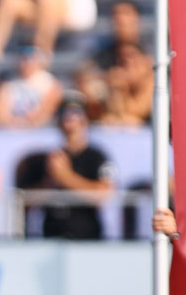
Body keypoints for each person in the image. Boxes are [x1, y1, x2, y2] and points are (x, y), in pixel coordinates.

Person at [17, 97, 114, 239]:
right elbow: (26, 199)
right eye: (64, 113)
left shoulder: (96, 157)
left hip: (86, 237)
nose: (69, 118)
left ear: (85, 119)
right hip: (52, 235)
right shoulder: (48, 158)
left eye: (75, 113)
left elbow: (104, 194)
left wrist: (65, 177)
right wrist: (49, 183)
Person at [0, 45, 63, 129]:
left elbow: (46, 112)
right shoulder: (8, 82)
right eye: (24, 59)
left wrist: (28, 123)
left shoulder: (50, 83)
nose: (26, 63)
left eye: (30, 59)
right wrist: (13, 123)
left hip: (40, 131)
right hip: (9, 131)